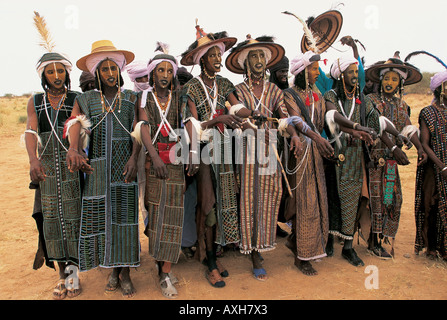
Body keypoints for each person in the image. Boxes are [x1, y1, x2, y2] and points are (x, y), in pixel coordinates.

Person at [180, 22, 255, 288]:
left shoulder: (223, 83)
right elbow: (191, 124)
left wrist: (252, 114)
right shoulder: (190, 87)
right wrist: (218, 119)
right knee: (208, 204)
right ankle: (209, 260)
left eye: (218, 55)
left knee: (224, 201)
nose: (217, 59)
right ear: (202, 60)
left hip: (225, 151)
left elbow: (237, 107)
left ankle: (212, 253)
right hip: (202, 152)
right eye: (212, 56)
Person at [65, 40, 140, 298]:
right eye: (104, 69)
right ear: (96, 72)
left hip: (124, 168)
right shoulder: (85, 99)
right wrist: (73, 148)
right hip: (97, 169)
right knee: (103, 219)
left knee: (125, 219)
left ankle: (126, 271)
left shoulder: (131, 98)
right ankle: (111, 269)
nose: (109, 73)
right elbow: (76, 123)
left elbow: (139, 131)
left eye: (113, 68)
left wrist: (133, 158)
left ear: (119, 71)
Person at [225, 35, 302, 280]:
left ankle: (263, 244)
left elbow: (284, 117)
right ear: (246, 63)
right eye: (254, 56)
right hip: (246, 151)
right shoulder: (236, 91)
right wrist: (251, 121)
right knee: (249, 198)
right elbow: (236, 114)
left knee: (269, 196)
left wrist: (294, 135)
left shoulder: (275, 91)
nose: (258, 60)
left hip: (269, 151)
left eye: (261, 56)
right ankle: (253, 250)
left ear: (267, 62)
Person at [25, 49, 85, 300]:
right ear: (44, 76)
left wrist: (72, 148)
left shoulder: (75, 98)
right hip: (46, 169)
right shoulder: (35, 101)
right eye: (51, 72)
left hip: (70, 167)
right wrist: (33, 159)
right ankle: (61, 275)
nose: (57, 75)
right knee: (51, 222)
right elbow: (30, 131)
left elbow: (74, 124)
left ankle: (73, 273)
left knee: (72, 220)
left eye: (60, 71)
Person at [132, 43, 184, 298]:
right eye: (159, 70)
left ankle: (165, 271)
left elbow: (187, 125)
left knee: (174, 216)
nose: (164, 75)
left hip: (175, 162)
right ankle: (160, 267)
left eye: (168, 71)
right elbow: (143, 126)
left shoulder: (180, 97)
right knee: (156, 215)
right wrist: (154, 156)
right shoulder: (144, 98)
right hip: (154, 163)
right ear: (152, 74)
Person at [365, 56, 427, 258]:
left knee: (393, 199)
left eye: (394, 79)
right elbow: (377, 126)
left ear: (400, 83)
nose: (389, 83)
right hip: (374, 159)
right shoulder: (371, 101)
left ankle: (383, 237)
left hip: (391, 163)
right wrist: (393, 148)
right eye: (386, 78)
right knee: (376, 201)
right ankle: (373, 242)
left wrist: (419, 148)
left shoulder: (401, 105)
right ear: (380, 80)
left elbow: (408, 128)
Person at [323, 54, 381, 267]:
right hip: (334, 154)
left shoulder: (362, 99)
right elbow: (332, 116)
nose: (355, 76)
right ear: (341, 76)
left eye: (356, 72)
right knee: (332, 199)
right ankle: (328, 240)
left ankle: (348, 247)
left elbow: (376, 120)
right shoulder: (330, 95)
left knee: (351, 199)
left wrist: (389, 140)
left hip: (355, 158)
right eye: (351, 72)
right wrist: (357, 128)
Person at [415, 69, 447, 261]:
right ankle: (432, 247)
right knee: (432, 206)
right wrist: (442, 167)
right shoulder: (428, 112)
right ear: (441, 88)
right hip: (434, 167)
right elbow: (425, 144)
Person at [126, 60, 150, 228]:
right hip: (139, 148)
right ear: (134, 80)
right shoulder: (131, 98)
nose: (144, 81)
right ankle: (148, 224)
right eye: (140, 78)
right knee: (143, 189)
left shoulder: (157, 95)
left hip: (159, 146)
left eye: (146, 77)